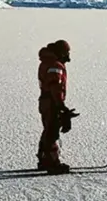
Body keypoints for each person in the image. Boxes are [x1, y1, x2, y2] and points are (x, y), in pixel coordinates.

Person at [36, 39, 78, 174]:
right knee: (52, 132)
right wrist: (61, 105)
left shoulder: (46, 62)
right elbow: (56, 87)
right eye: (66, 53)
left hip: (45, 101)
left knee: (48, 129)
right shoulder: (56, 65)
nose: (68, 57)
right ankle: (52, 163)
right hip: (51, 102)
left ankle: (44, 159)